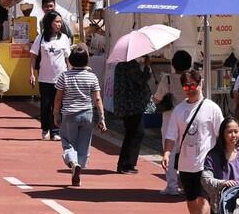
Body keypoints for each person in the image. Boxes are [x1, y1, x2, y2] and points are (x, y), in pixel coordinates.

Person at [161, 69, 223, 214]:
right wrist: (166, 153)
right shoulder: (179, 110)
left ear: (200, 84)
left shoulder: (212, 108)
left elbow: (220, 134)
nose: (189, 89)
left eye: (193, 85)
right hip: (186, 162)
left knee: (204, 197)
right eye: (186, 86)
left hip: (207, 162)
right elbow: (172, 134)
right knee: (190, 199)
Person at [53, 44, 105, 186]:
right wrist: (102, 118)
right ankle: (79, 166)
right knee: (84, 144)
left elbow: (58, 98)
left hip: (69, 114)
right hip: (87, 113)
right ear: (87, 60)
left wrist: (56, 114)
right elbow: (98, 99)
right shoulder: (92, 77)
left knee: (67, 141)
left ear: (70, 60)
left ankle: (73, 162)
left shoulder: (64, 76)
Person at [155, 50, 195, 197]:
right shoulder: (193, 80)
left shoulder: (168, 79)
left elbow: (157, 99)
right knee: (188, 153)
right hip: (189, 119)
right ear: (189, 64)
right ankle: (188, 185)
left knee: (169, 154)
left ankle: (172, 186)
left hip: (170, 118)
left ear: (173, 64)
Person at [30, 11, 72, 141]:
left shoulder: (64, 38)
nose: (59, 24)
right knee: (45, 105)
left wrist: (71, 74)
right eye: (57, 22)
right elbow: (33, 56)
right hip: (45, 77)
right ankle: (45, 129)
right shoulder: (41, 37)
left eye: (60, 22)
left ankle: (55, 130)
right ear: (50, 23)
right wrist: (31, 73)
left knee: (58, 104)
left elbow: (68, 58)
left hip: (61, 77)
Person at [112, 54, 154, 173]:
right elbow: (141, 80)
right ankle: (126, 164)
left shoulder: (120, 66)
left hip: (124, 105)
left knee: (132, 133)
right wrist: (146, 67)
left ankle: (127, 163)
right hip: (133, 105)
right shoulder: (131, 66)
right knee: (136, 133)